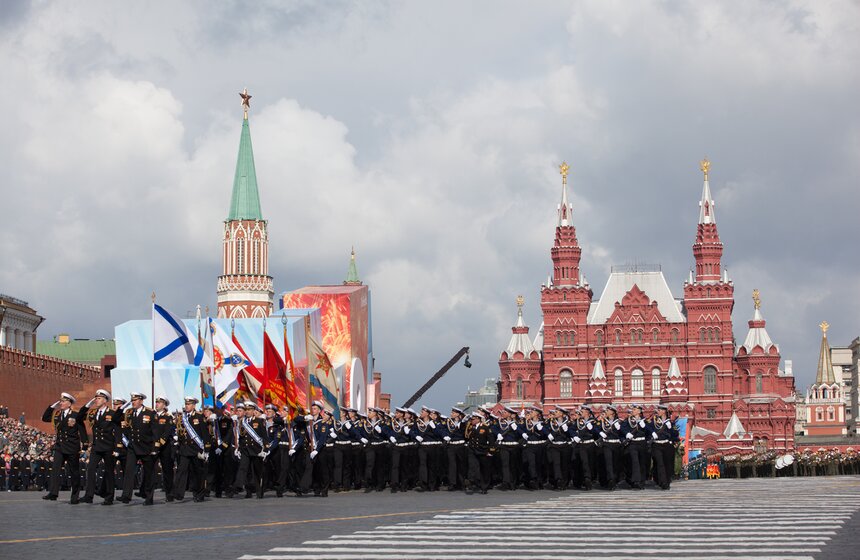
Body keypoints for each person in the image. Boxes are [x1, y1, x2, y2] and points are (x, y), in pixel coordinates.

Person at [41, 392, 86, 503]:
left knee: (74, 472)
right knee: (55, 470)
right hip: (60, 446)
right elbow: (45, 418)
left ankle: (75, 496)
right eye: (60, 401)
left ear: (69, 403)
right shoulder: (57, 414)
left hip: (72, 447)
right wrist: (52, 406)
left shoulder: (75, 415)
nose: (61, 403)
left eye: (64, 401)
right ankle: (53, 493)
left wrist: (85, 444)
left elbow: (82, 430)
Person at [119, 392, 157, 505]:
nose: (133, 402)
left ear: (141, 401)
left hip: (146, 447)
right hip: (133, 447)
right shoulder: (129, 413)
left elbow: (155, 431)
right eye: (132, 400)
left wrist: (155, 447)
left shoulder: (150, 413)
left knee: (148, 473)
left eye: (135, 400)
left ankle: (149, 497)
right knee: (129, 471)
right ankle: (126, 496)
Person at [81, 389, 117, 505]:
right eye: (96, 398)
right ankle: (89, 495)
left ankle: (109, 497)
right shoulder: (92, 413)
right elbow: (80, 417)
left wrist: (117, 447)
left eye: (99, 398)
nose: (97, 400)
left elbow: (117, 431)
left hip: (108, 446)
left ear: (105, 400)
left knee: (109, 471)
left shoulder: (112, 414)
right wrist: (87, 405)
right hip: (96, 446)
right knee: (90, 469)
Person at [172, 396, 211, 502]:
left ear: (194, 405)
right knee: (181, 470)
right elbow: (181, 432)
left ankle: (199, 493)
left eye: (189, 404)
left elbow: (205, 434)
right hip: (185, 448)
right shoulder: (182, 417)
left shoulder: (199, 416)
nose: (187, 406)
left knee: (197, 472)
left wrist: (206, 450)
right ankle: (178, 494)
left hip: (196, 449)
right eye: (186, 404)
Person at [152, 396, 175, 502]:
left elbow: (167, 432)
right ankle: (148, 494)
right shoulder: (152, 416)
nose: (157, 404)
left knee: (167, 471)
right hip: (153, 447)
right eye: (156, 402)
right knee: (150, 469)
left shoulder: (168, 417)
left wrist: (159, 443)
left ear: (164, 405)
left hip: (165, 447)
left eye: (159, 403)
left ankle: (169, 494)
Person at [465, 411, 494, 494]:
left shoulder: (485, 427)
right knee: (472, 466)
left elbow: (491, 440)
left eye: (473, 419)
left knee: (484, 469)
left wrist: (490, 451)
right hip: (472, 450)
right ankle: (471, 481)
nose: (471, 421)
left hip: (482, 450)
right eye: (471, 419)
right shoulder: (470, 427)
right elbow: (467, 436)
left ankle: (484, 487)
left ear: (478, 419)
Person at [621, 404, 649, 489]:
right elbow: (622, 428)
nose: (632, 410)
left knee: (642, 462)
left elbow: (650, 431)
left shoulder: (644, 421)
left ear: (639, 411)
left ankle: (642, 480)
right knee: (635, 462)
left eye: (634, 409)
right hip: (633, 443)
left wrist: (645, 426)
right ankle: (636, 481)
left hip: (642, 443)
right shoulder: (628, 420)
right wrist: (627, 433)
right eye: (632, 409)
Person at [649, 404, 676, 490]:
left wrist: (670, 428)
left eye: (660, 410)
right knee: (660, 463)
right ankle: (663, 482)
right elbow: (648, 427)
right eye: (658, 410)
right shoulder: (654, 421)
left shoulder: (669, 422)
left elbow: (674, 434)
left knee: (667, 464)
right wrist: (652, 432)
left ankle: (667, 481)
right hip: (657, 444)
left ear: (664, 411)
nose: (658, 412)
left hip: (666, 444)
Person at [573, 405, 599, 491]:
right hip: (582, 445)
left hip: (590, 444)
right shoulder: (578, 422)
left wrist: (592, 429)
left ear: (587, 413)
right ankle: (587, 479)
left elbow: (598, 432)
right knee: (585, 462)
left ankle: (590, 478)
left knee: (591, 463)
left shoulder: (593, 422)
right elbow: (571, 429)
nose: (581, 413)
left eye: (582, 412)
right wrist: (574, 436)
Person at [598, 405, 623, 490]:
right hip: (607, 444)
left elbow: (623, 434)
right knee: (608, 463)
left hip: (616, 445)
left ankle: (615, 479)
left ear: (613, 412)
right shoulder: (603, 421)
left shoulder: (618, 422)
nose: (606, 412)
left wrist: (620, 429)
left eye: (608, 410)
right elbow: (594, 428)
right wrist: (599, 432)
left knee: (615, 464)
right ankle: (611, 480)